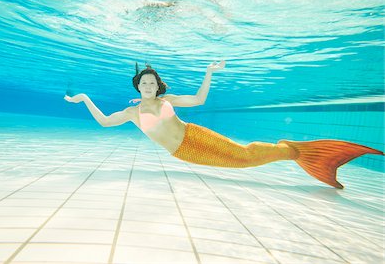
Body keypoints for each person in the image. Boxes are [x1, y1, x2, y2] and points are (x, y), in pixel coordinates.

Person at [64, 62, 384, 189]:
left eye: (152, 82)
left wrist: (208, 72)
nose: (148, 86)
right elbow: (105, 123)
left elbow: (200, 101)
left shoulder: (168, 100)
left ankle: (294, 152)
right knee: (239, 163)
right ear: (137, 87)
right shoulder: (131, 112)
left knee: (243, 155)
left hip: (194, 135)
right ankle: (293, 152)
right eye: (143, 83)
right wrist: (85, 98)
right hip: (183, 152)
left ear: (157, 86)